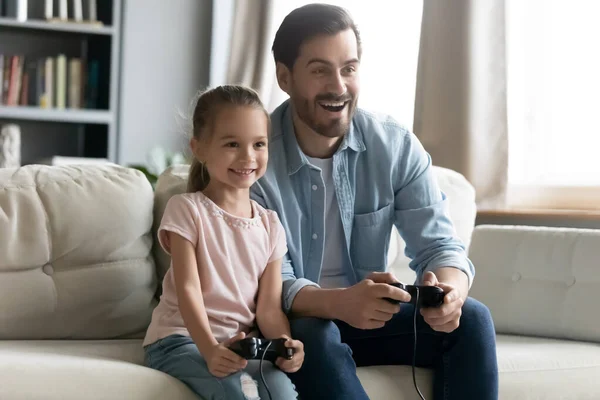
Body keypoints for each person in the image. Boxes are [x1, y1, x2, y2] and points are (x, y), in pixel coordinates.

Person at [250, 4, 499, 400]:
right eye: (319, 70)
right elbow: (268, 284)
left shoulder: (393, 144)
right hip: (293, 323)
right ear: (285, 76)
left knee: (472, 318)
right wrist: (340, 302)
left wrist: (449, 291)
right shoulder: (252, 157)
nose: (338, 86)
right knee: (315, 331)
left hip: (369, 316)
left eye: (348, 68)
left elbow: (440, 245)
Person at [143, 85, 304, 400]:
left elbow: (269, 310)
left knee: (284, 394)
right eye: (232, 144)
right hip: (180, 341)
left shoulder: (270, 224)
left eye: (259, 144)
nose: (247, 156)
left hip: (241, 345)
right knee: (240, 393)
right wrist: (210, 349)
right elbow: (189, 290)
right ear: (199, 148)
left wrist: (286, 343)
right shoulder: (186, 210)